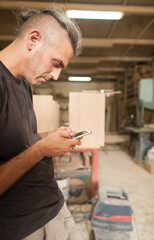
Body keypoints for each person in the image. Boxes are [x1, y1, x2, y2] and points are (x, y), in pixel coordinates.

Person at [0, 7, 83, 240]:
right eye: (55, 63)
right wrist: (43, 149)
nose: (56, 75)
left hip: (54, 203)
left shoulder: (24, 83)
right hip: (27, 224)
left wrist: (48, 137)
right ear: (34, 40)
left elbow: (18, 142)